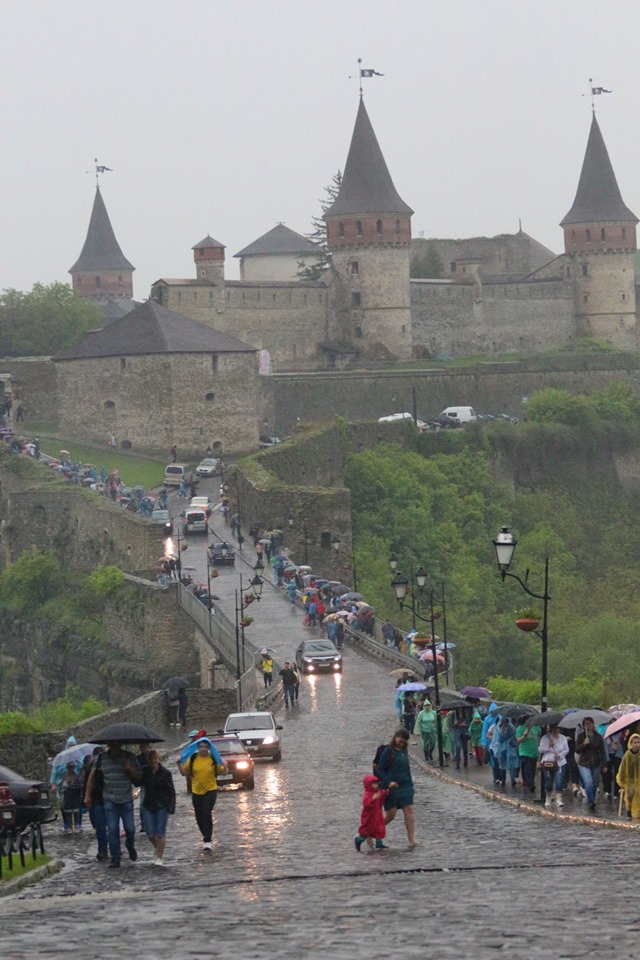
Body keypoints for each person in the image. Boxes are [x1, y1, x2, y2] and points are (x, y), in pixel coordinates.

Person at [85, 740, 142, 868]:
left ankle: (130, 845)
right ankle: (115, 857)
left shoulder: (129, 757)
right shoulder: (101, 759)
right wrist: (87, 796)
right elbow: (92, 777)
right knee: (112, 829)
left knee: (130, 828)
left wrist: (130, 769)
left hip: (126, 798)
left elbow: (139, 777)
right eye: (113, 744)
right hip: (109, 799)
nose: (116, 747)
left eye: (118, 744)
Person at [178, 738, 226, 850]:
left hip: (210, 790)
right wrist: (178, 764)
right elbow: (184, 772)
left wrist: (225, 766)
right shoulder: (193, 758)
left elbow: (223, 772)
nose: (203, 749)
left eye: (205, 747)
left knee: (207, 812)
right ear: (198, 748)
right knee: (199, 816)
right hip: (196, 791)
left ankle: (208, 840)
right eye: (201, 747)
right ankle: (205, 834)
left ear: (209, 748)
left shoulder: (213, 758)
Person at [375, 729, 417, 848]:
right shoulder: (389, 750)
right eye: (400, 741)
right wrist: (388, 782)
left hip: (405, 786)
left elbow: (407, 768)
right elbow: (380, 768)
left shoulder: (404, 750)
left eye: (404, 742)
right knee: (390, 815)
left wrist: (411, 785)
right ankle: (371, 831)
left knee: (409, 810)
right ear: (395, 737)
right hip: (391, 788)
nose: (401, 743)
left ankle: (411, 839)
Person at [141, 750, 176, 866]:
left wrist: (171, 806)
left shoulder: (165, 773)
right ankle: (159, 848)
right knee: (150, 833)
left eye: (155, 759)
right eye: (151, 760)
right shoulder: (145, 772)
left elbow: (171, 791)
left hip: (162, 805)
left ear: (159, 759)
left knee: (160, 832)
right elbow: (137, 782)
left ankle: (159, 857)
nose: (153, 762)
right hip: (148, 805)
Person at [354, 774, 396, 852]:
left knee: (379, 828)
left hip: (378, 815)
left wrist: (389, 789)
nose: (376, 785)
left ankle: (379, 842)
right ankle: (359, 839)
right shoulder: (368, 794)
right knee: (367, 830)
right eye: (374, 783)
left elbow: (384, 794)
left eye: (377, 783)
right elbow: (366, 803)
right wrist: (373, 798)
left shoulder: (378, 792)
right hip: (369, 817)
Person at [575, 716, 608, 812]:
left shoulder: (598, 736)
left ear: (593, 724)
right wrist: (584, 744)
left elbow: (602, 751)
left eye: (590, 723)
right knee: (588, 783)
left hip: (596, 763)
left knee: (594, 783)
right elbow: (577, 750)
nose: (589, 726)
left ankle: (592, 799)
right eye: (586, 724)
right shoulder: (581, 736)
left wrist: (605, 764)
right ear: (584, 726)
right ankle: (591, 802)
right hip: (584, 763)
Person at [83, 746, 108, 861]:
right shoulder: (91, 768)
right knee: (104, 827)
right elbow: (87, 783)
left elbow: (85, 785)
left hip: (101, 799)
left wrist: (86, 798)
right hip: (99, 799)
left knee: (102, 827)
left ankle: (104, 850)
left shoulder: (91, 766)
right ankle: (103, 850)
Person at [538, 723, 570, 808]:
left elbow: (566, 749)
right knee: (548, 782)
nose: (557, 731)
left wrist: (560, 755)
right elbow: (541, 750)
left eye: (558, 729)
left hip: (560, 763)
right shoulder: (545, 738)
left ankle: (558, 799)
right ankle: (548, 798)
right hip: (548, 762)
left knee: (559, 781)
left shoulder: (563, 738)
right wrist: (548, 746)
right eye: (555, 729)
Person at [492, 717, 520, 788]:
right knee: (502, 764)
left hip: (510, 747)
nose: (505, 723)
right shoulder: (498, 728)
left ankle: (512, 780)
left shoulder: (511, 728)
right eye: (504, 721)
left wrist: (510, 741)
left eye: (506, 721)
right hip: (501, 748)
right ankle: (503, 780)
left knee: (512, 764)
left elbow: (513, 736)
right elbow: (497, 739)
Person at [617, 732, 640, 818]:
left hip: (639, 779)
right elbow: (622, 768)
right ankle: (629, 809)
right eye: (635, 742)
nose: (637, 744)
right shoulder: (627, 755)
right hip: (629, 779)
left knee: (638, 795)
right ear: (631, 743)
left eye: (638, 742)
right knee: (629, 795)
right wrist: (621, 780)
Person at [516, 720, 541, 793]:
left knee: (532, 770)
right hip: (524, 752)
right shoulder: (520, 728)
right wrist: (524, 735)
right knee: (528, 768)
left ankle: (529, 781)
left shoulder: (536, 728)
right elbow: (518, 741)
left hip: (534, 752)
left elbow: (541, 734)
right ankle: (531, 784)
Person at [61, 762, 83, 834]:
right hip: (67, 795)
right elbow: (61, 784)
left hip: (75, 794)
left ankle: (77, 825)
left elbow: (80, 784)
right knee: (68, 812)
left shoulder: (77, 775)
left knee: (76, 811)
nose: (71, 768)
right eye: (69, 766)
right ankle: (70, 827)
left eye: (72, 766)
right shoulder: (64, 775)